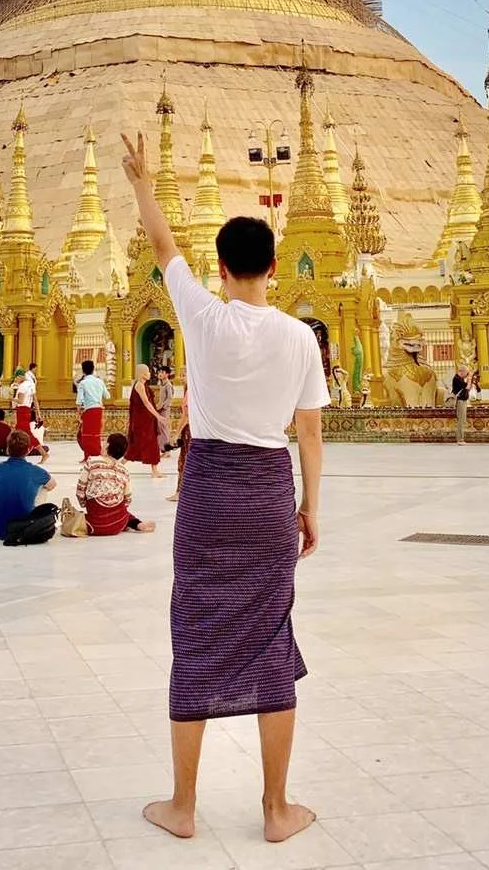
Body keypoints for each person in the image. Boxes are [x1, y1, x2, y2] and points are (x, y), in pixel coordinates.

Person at [122, 131, 328, 845]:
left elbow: (161, 247)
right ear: (273, 267)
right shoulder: (300, 338)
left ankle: (183, 806)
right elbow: (310, 434)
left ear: (220, 268)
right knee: (272, 641)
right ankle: (276, 809)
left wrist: (142, 183)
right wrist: (309, 509)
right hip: (269, 492)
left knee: (196, 637)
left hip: (208, 491)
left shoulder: (203, 315)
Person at [0, 430, 59, 544]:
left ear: (7, 449)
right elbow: (52, 485)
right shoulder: (36, 471)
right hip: (27, 529)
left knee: (2, 485)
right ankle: (32, 518)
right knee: (43, 487)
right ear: (28, 450)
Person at [77, 433, 157, 536]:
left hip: (95, 524)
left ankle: (111, 518)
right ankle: (137, 524)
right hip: (119, 523)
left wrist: (84, 504)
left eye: (105, 442)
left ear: (107, 445)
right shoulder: (124, 470)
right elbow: (127, 499)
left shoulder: (92, 462)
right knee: (121, 510)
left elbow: (80, 490)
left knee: (74, 518)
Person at [127, 363, 167, 479]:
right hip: (142, 421)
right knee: (137, 444)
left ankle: (155, 470)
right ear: (142, 373)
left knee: (151, 443)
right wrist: (158, 416)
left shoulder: (144, 385)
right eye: (148, 372)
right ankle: (118, 464)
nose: (150, 374)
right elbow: (146, 403)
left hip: (147, 419)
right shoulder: (139, 385)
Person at [76, 359, 110, 462]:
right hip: (99, 410)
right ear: (93, 369)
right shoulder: (100, 381)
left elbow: (79, 401)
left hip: (89, 410)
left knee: (86, 435)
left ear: (83, 371)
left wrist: (78, 414)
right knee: (95, 434)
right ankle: (91, 455)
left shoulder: (83, 383)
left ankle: (92, 455)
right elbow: (107, 396)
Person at [11, 368, 48, 459]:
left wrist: (10, 398)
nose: (16, 380)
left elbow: (20, 401)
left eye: (16, 378)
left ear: (20, 376)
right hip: (27, 411)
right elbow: (35, 400)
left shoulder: (22, 386)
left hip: (22, 411)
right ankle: (23, 452)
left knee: (25, 434)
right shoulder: (31, 384)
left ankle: (43, 453)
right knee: (20, 433)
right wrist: (38, 414)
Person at [165, 372, 189, 503]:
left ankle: (180, 492)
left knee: (184, 461)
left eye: (184, 375)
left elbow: (186, 416)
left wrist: (176, 434)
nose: (181, 377)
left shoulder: (190, 393)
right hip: (193, 430)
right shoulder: (192, 392)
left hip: (189, 430)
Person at [155, 368, 175, 455]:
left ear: (167, 374)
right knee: (160, 428)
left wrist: (163, 406)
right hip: (160, 409)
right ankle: (163, 448)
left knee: (164, 428)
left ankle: (167, 450)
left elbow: (170, 398)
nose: (160, 374)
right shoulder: (162, 384)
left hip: (165, 409)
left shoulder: (168, 385)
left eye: (162, 372)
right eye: (159, 372)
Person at [449, 367, 470, 445]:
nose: (466, 375)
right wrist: (469, 380)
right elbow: (467, 387)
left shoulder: (460, 379)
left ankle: (461, 438)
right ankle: (460, 439)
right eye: (467, 373)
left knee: (463, 419)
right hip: (460, 401)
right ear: (462, 371)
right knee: (460, 420)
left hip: (463, 400)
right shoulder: (457, 379)